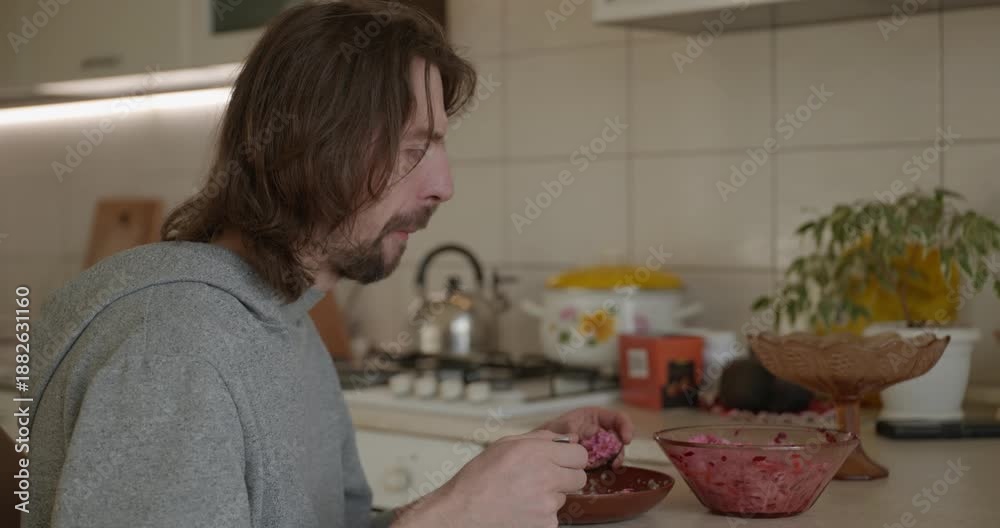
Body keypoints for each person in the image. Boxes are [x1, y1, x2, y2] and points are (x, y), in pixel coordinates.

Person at [28, 2, 634, 527]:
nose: (444, 185)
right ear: (311, 147)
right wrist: (447, 518)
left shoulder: (286, 322)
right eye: (413, 148)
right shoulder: (175, 355)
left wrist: (482, 495)